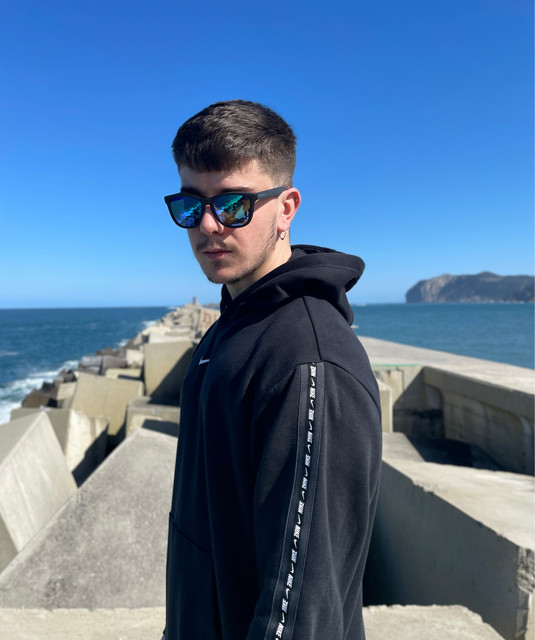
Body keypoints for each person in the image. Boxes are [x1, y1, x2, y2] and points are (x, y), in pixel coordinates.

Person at [163, 100, 382, 640]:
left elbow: (302, 605)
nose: (208, 225)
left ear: (286, 208)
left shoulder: (309, 360)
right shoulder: (229, 327)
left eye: (233, 204)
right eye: (190, 205)